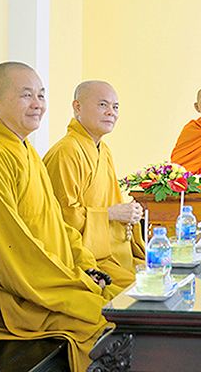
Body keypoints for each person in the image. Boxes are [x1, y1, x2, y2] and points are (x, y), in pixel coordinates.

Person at [0, 62, 115, 372]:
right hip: (9, 298)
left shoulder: (27, 151)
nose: (38, 104)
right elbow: (10, 252)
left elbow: (59, 225)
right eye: (26, 95)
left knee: (122, 304)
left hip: (45, 283)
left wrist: (84, 265)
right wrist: (74, 283)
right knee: (104, 321)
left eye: (41, 95)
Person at [44, 80, 146, 290]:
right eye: (102, 105)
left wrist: (129, 213)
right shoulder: (67, 151)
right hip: (86, 258)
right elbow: (63, 217)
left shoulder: (104, 150)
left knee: (165, 278)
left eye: (115, 107)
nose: (111, 112)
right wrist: (111, 213)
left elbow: (110, 201)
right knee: (143, 290)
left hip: (113, 251)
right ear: (77, 107)